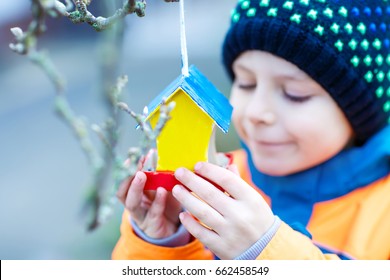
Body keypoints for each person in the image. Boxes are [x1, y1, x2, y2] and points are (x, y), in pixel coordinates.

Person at [112, 0, 390, 260]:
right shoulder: (209, 182)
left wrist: (266, 251)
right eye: (246, 83)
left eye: (295, 94)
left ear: (357, 109)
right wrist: (164, 243)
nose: (256, 112)